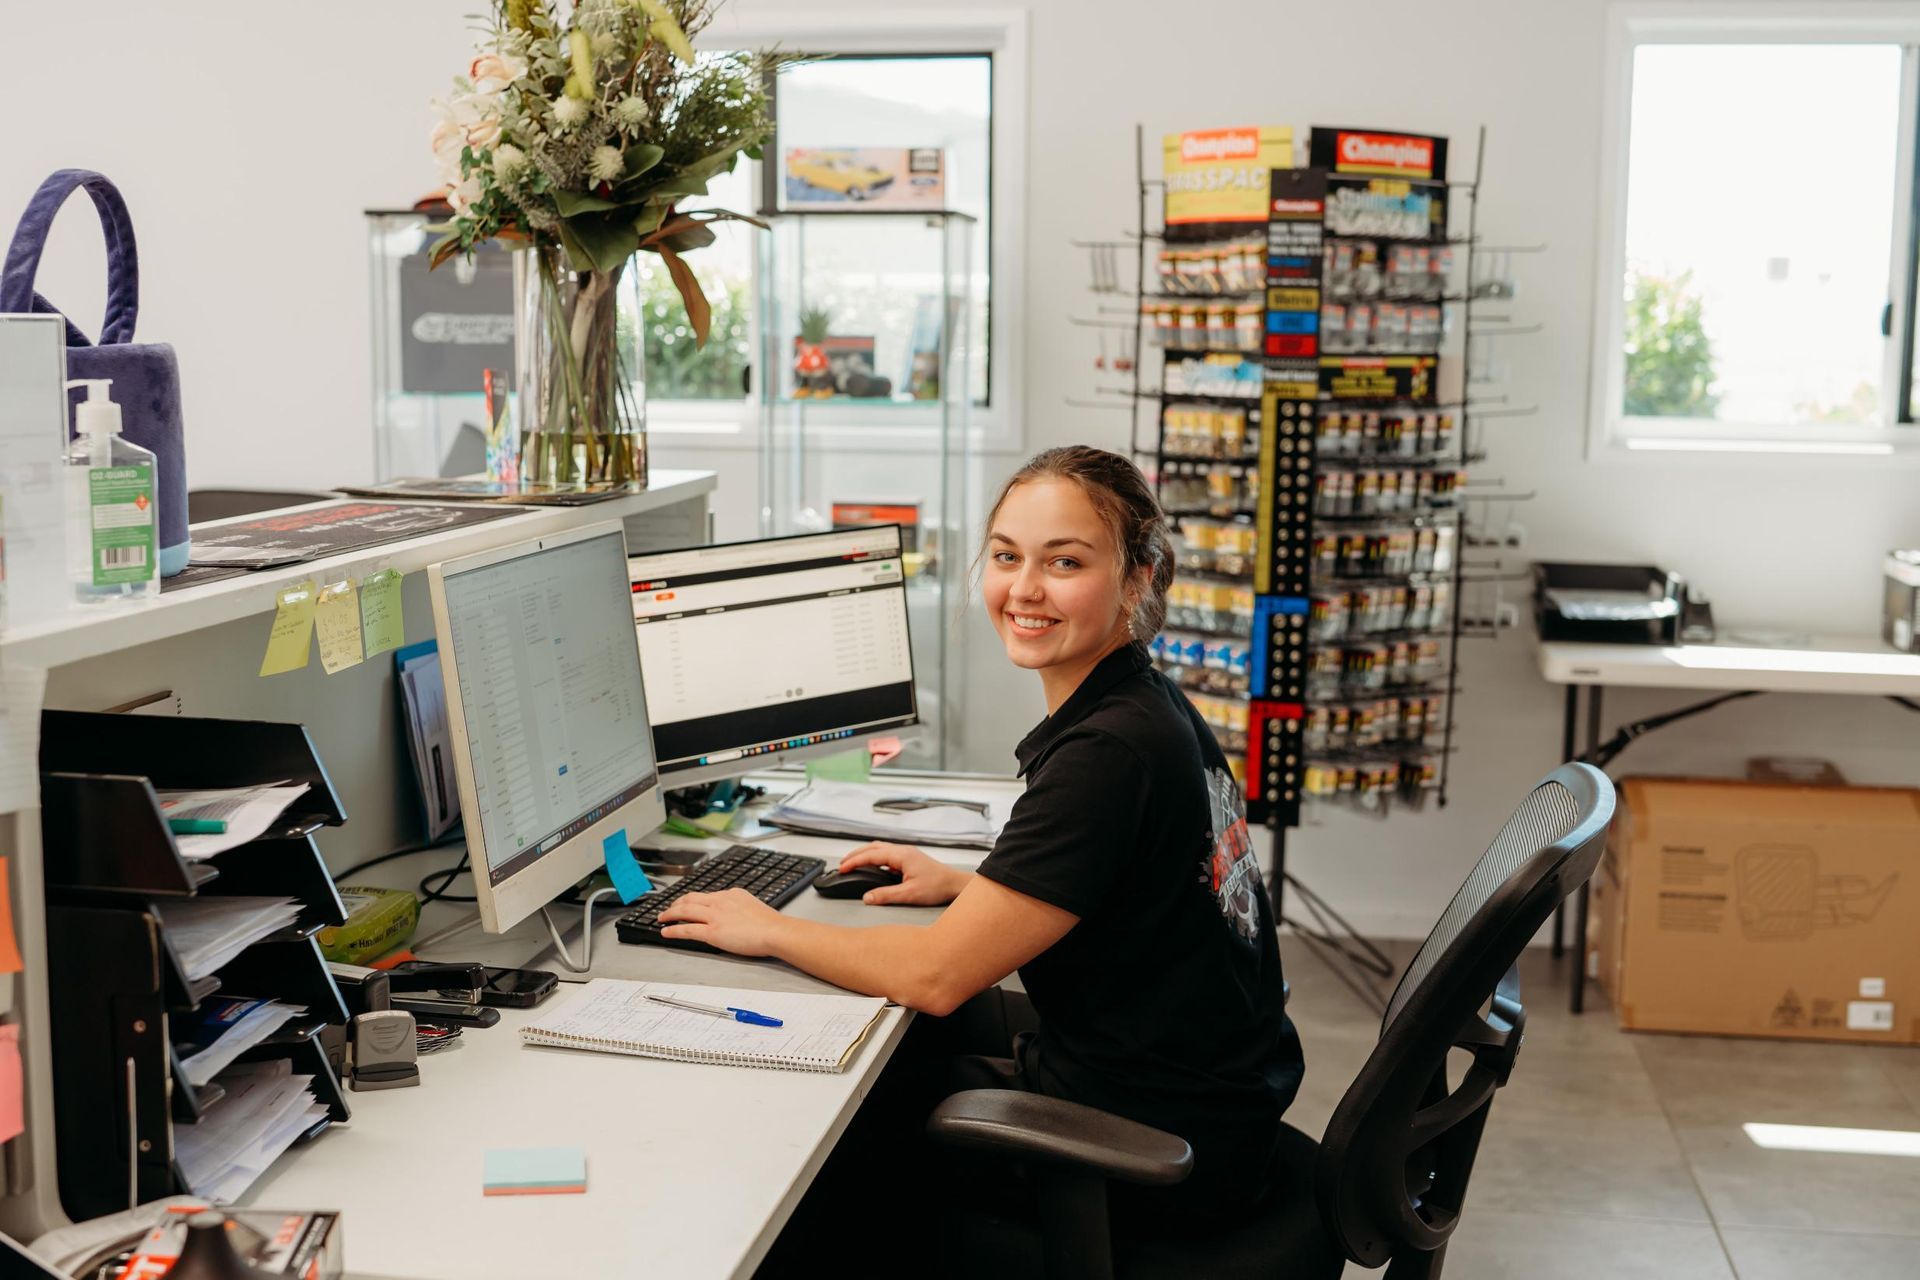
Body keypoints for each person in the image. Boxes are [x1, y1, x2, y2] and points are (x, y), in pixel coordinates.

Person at [659, 446, 1303, 1231]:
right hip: (1201, 1104)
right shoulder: (1143, 702)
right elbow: (1148, 889)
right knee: (897, 1051)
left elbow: (933, 975)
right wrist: (975, 888)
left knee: (817, 1152)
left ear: (1137, 580)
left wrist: (767, 927)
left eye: (1064, 562)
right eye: (1006, 557)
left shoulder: (1108, 753)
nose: (1024, 589)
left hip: (1152, 1156)